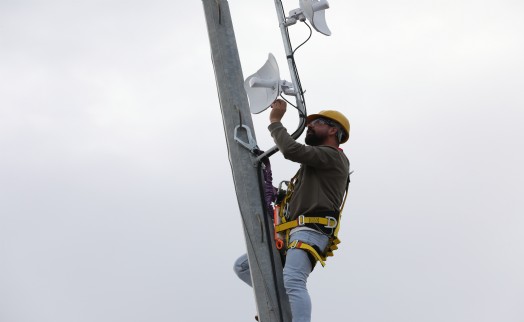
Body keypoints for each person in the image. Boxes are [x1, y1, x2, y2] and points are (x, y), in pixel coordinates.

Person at [234, 99, 350, 322]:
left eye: (316, 124)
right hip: (292, 231)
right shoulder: (315, 167)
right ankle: (279, 312)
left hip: (310, 230)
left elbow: (290, 149)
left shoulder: (333, 156)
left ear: (333, 130)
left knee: (294, 280)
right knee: (243, 267)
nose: (309, 127)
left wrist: (275, 121)